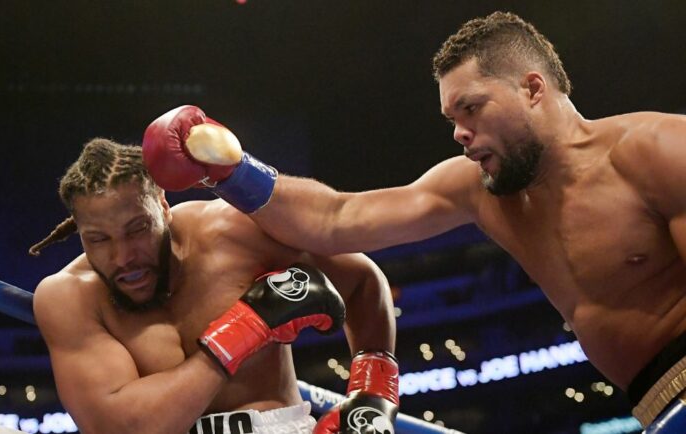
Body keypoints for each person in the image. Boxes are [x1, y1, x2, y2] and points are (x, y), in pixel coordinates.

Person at [140, 11, 686, 433]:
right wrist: (230, 170)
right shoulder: (477, 190)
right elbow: (338, 218)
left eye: (471, 108)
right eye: (452, 119)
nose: (459, 133)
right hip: (651, 405)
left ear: (533, 88)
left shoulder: (654, 152)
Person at [28, 138, 399, 434]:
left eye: (137, 229)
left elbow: (362, 281)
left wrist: (373, 394)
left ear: (163, 206)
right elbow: (122, 427)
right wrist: (245, 327)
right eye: (99, 239)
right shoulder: (68, 296)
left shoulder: (234, 233)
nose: (123, 256)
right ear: (79, 233)